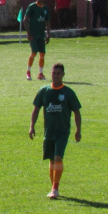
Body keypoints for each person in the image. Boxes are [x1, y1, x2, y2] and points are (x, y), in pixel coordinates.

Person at [29, 63, 82, 199]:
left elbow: (77, 112)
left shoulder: (68, 92)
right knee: (52, 160)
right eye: (54, 73)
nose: (56, 75)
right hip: (49, 131)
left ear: (63, 75)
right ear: (51, 74)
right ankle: (53, 187)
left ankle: (55, 189)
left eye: (59, 73)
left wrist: (78, 130)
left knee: (58, 157)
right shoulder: (44, 91)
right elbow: (36, 109)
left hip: (62, 132)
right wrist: (32, 126)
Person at [25, 0, 51, 81]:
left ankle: (40, 74)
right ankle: (28, 72)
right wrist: (28, 33)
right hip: (33, 34)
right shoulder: (32, 7)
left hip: (41, 34)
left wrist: (48, 34)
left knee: (42, 53)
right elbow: (25, 20)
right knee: (34, 52)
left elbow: (47, 22)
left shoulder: (45, 8)